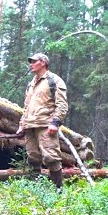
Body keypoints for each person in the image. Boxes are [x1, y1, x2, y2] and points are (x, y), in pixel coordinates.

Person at [16, 53, 68, 190]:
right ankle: (36, 190)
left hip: (46, 125)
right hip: (29, 126)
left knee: (51, 157)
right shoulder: (30, 84)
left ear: (43, 62)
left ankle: (58, 190)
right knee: (32, 157)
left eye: (34, 61)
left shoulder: (54, 80)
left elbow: (62, 105)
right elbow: (26, 107)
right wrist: (22, 125)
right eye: (30, 62)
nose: (31, 64)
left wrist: (55, 123)